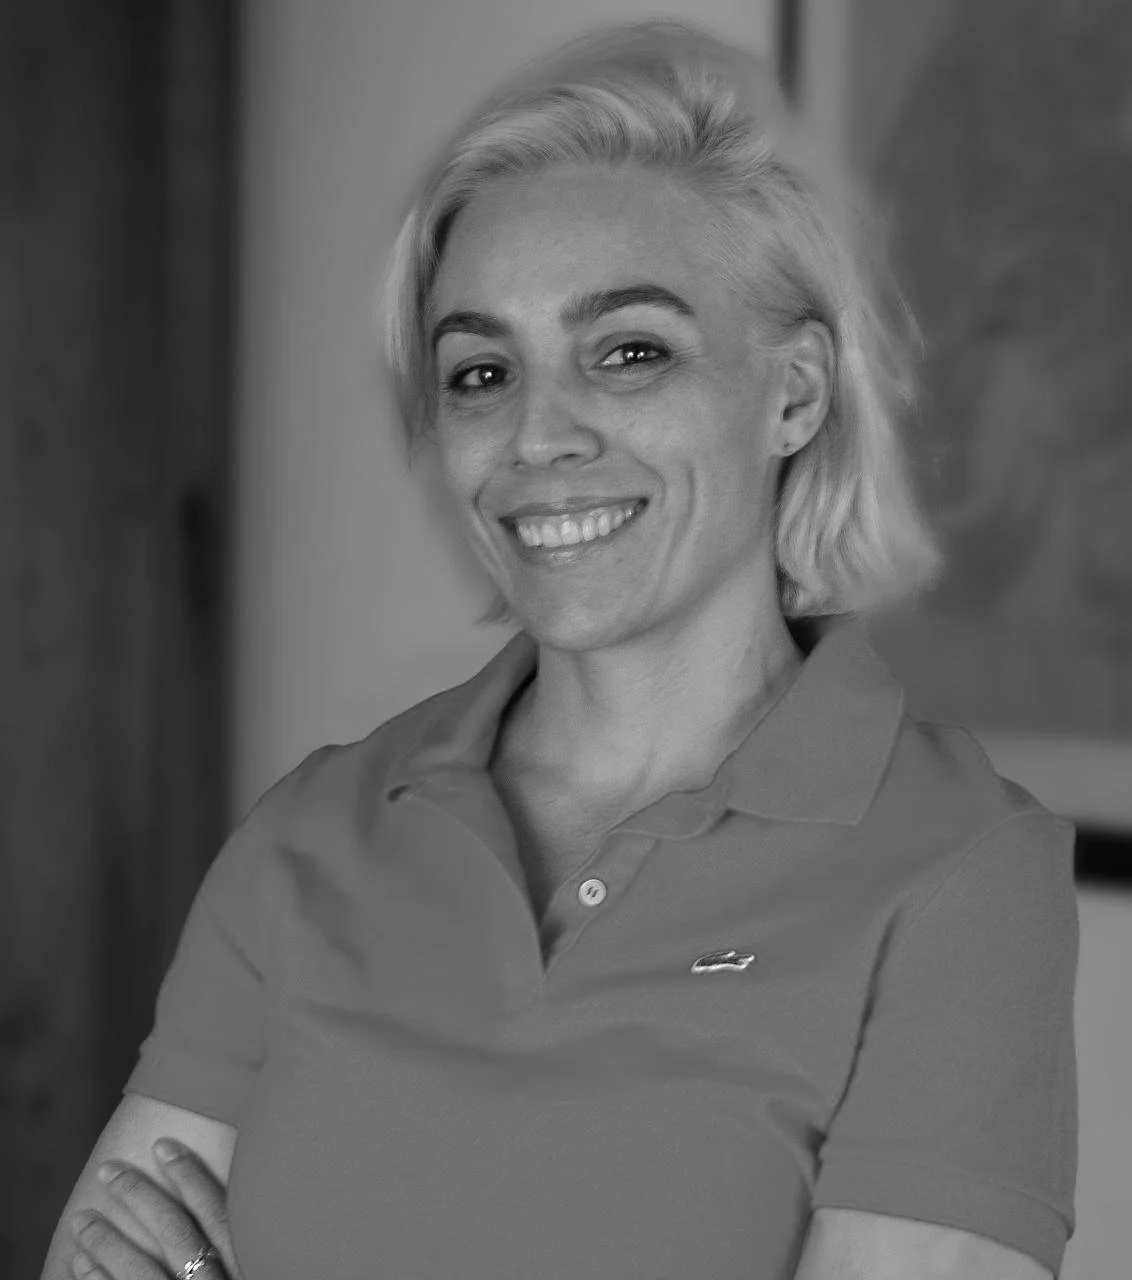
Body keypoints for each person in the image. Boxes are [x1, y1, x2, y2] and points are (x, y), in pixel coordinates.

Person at [41, 19, 1078, 1280]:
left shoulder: (962, 866)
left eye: (629, 352)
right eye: (480, 371)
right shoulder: (310, 830)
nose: (537, 434)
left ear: (794, 394)